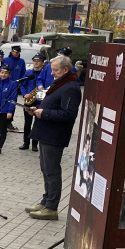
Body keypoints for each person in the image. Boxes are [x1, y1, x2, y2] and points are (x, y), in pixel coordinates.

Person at [27, 56, 81, 220]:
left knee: (52, 171)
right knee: (45, 169)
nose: (52, 73)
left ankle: (51, 207)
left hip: (55, 135)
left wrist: (44, 113)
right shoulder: (60, 83)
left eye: (55, 70)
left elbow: (69, 114)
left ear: (65, 70)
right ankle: (45, 201)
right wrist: (37, 108)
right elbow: (52, 104)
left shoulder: (71, 87)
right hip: (45, 132)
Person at [18, 54, 53, 151]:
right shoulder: (28, 72)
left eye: (38, 61)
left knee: (37, 124)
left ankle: (34, 144)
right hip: (29, 100)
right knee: (27, 123)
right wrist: (25, 94)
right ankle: (26, 142)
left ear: (42, 63)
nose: (36, 63)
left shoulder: (45, 73)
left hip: (40, 101)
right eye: (34, 61)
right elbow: (22, 85)